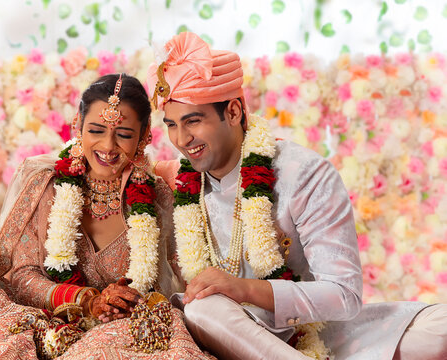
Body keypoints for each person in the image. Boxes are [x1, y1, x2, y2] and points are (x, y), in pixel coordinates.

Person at [148, 31, 447, 360]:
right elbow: (102, 159)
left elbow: (344, 295)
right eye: (171, 124)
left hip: (314, 331)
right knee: (203, 310)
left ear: (233, 112)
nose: (181, 138)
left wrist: (246, 289)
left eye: (193, 121)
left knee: (440, 329)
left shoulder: (302, 173)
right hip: (221, 324)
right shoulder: (174, 180)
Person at [0, 73, 214, 359]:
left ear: (144, 135)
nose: (108, 146)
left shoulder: (157, 195)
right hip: (45, 318)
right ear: (77, 125)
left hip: (119, 326)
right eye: (96, 130)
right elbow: (23, 277)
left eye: (123, 134)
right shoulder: (47, 184)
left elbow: (185, 277)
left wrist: (128, 301)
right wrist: (86, 300)